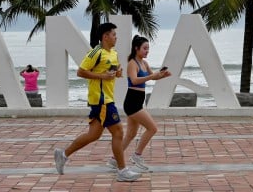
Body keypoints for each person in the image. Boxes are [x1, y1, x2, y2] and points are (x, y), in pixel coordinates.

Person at [54, 22, 141, 182]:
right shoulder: (96, 52)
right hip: (102, 100)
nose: (116, 37)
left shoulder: (113, 54)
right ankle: (122, 170)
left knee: (93, 135)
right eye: (114, 34)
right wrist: (102, 76)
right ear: (105, 36)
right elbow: (81, 71)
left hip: (106, 98)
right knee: (118, 132)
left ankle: (63, 154)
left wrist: (117, 73)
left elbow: (112, 72)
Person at [107, 35, 171, 171]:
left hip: (138, 102)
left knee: (131, 134)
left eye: (148, 48)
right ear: (136, 48)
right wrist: (152, 76)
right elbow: (135, 80)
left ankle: (114, 160)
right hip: (132, 103)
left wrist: (162, 75)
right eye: (145, 48)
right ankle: (137, 156)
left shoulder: (144, 63)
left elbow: (153, 77)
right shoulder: (132, 63)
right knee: (153, 128)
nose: (147, 51)